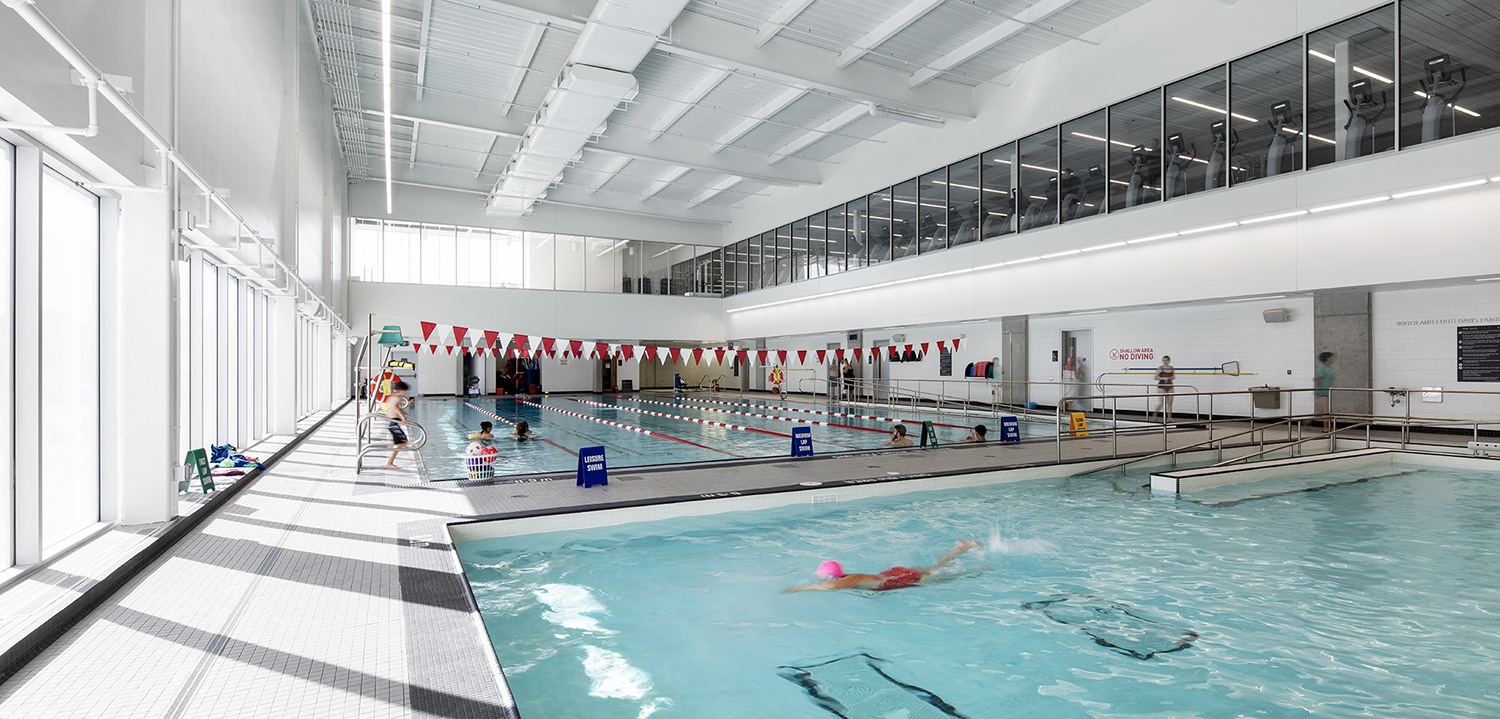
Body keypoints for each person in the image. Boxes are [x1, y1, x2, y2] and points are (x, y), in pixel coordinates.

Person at [783, 541, 983, 593]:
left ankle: (975, 569)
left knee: (946, 577)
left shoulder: (848, 581)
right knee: (936, 568)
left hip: (901, 578)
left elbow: (830, 588)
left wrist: (795, 589)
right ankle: (959, 549)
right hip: (894, 574)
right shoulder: (851, 578)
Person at [382, 381, 411, 469]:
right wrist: (403, 417)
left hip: (393, 423)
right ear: (400, 390)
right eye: (405, 391)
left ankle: (408, 460)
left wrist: (403, 413)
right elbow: (395, 407)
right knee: (400, 443)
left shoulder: (394, 397)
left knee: (403, 441)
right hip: (393, 423)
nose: (406, 393)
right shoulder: (395, 398)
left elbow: (394, 408)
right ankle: (390, 462)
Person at [1315, 352, 1336, 432]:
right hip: (1323, 392)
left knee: (1325, 410)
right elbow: (1318, 379)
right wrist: (1317, 390)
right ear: (1327, 358)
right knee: (1326, 411)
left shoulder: (1330, 368)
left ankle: (1308, 421)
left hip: (1328, 392)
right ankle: (1326, 428)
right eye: (1331, 357)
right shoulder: (1322, 368)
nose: (1332, 359)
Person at [1151, 355, 1175, 422]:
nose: (1164, 362)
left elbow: (1173, 376)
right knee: (1161, 403)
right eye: (1163, 360)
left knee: (1170, 403)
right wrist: (1163, 378)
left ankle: (1169, 418)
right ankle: (1155, 414)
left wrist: (1171, 378)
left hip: (1170, 385)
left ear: (1169, 361)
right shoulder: (1160, 368)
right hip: (1162, 386)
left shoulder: (1171, 368)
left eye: (1166, 360)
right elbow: (1155, 377)